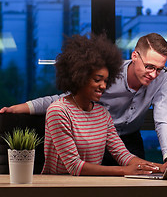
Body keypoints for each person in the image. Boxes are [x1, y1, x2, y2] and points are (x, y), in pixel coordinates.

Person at [0, 33, 167, 166]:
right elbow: (63, 99)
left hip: (128, 139)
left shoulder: (162, 77)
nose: (154, 74)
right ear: (134, 56)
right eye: (149, 67)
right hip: (96, 141)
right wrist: (20, 108)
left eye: (159, 69)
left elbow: (163, 119)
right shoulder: (107, 74)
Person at [42, 34, 160, 176]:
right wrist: (124, 171)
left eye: (106, 81)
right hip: (57, 189)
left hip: (92, 187)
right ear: (79, 77)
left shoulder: (102, 113)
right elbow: (74, 166)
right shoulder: (58, 111)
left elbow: (123, 155)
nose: (103, 86)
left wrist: (158, 168)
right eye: (98, 80)